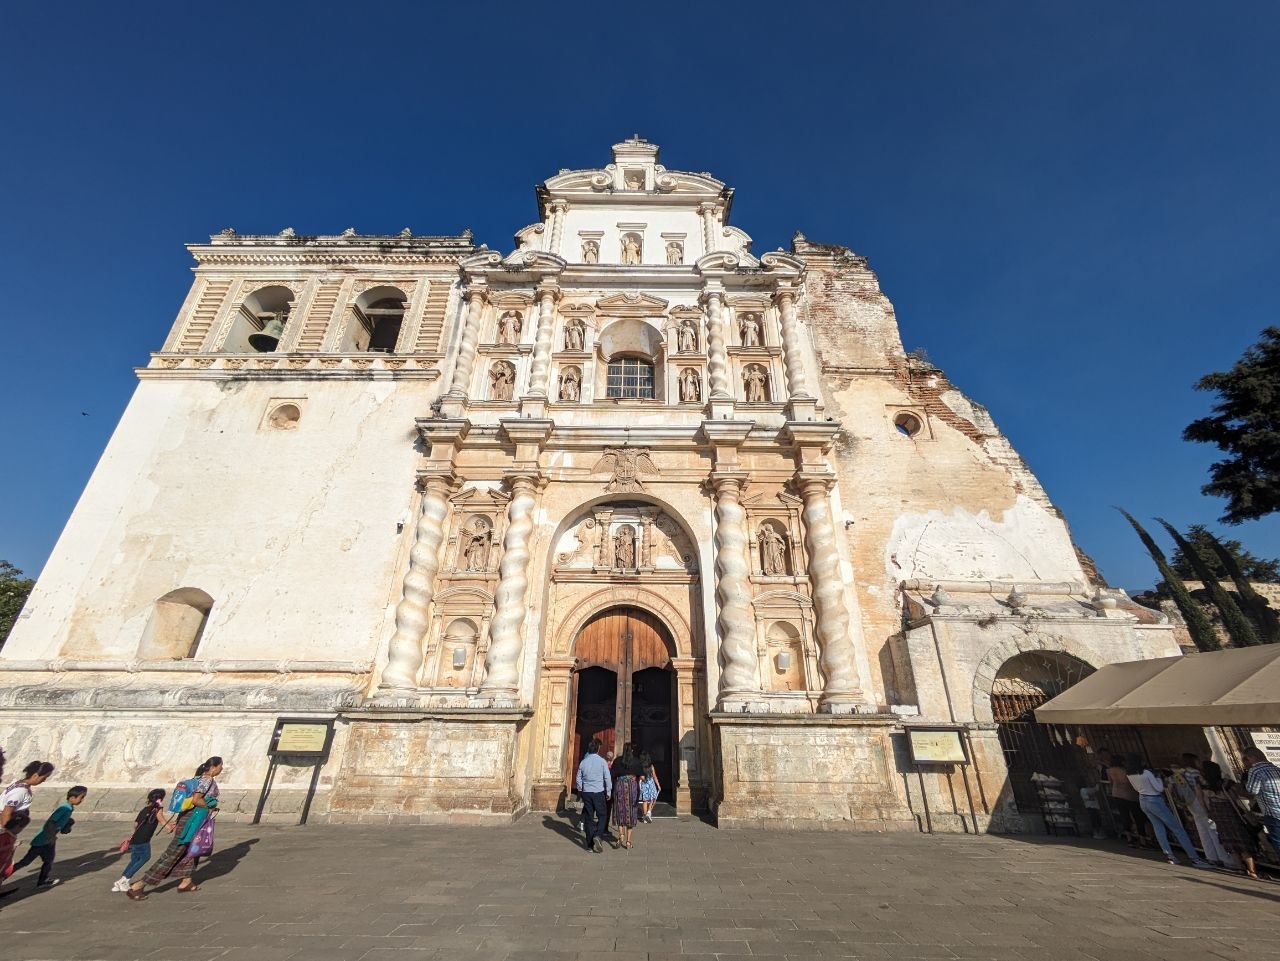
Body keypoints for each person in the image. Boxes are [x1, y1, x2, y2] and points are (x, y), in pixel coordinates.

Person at [127, 757, 223, 900]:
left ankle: (186, 882)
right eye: (221, 766)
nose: (222, 768)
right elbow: (196, 800)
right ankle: (139, 885)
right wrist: (210, 806)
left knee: (192, 850)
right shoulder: (207, 780)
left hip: (189, 819)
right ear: (214, 767)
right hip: (192, 821)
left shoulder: (198, 778)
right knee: (173, 854)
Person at [1124, 755, 1210, 867]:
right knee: (1178, 829)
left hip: (1143, 799)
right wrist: (1159, 778)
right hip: (1155, 800)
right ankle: (1195, 858)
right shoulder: (1146, 773)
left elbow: (1136, 789)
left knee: (1158, 828)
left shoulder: (1130, 774)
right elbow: (1159, 788)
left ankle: (1170, 856)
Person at [9, 785, 87, 889]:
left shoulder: (69, 808)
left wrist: (67, 825)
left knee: (48, 861)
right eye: (81, 797)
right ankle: (4, 874)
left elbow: (60, 824)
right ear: (72, 797)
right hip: (42, 840)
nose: (82, 800)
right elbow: (50, 823)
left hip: (48, 841)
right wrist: (51, 836)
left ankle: (43, 881)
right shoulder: (64, 808)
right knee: (26, 862)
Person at [1172, 754, 1230, 866]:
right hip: (1199, 800)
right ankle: (1224, 857)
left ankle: (1211, 856)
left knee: (1202, 829)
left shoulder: (1180, 773)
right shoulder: (1194, 772)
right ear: (1193, 761)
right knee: (1212, 828)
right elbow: (1202, 785)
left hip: (1190, 802)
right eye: (1197, 760)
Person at [1202, 770, 1261, 879]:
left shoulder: (1206, 787)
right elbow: (1238, 796)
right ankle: (1252, 870)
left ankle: (1240, 868)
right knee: (1243, 843)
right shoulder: (1227, 784)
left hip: (1219, 818)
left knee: (1230, 843)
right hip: (1233, 816)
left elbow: (1206, 803)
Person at [112, 789, 166, 892]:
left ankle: (122, 881)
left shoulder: (145, 809)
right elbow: (163, 822)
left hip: (135, 839)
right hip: (143, 840)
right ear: (161, 799)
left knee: (135, 860)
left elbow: (135, 824)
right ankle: (124, 880)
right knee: (145, 857)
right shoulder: (158, 810)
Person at [1243, 747, 1280, 861]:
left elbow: (1252, 790)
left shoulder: (1255, 770)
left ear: (1251, 757)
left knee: (1278, 841)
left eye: (1246, 759)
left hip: (1272, 812)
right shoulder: (1276, 768)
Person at [574, 740, 611, 853]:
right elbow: (607, 777)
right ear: (598, 749)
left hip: (587, 792)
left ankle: (589, 846)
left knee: (589, 818)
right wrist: (608, 791)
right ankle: (597, 834)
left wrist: (581, 788)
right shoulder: (602, 761)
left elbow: (578, 778)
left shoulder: (583, 762)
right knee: (602, 815)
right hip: (598, 792)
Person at [610, 742, 642, 850]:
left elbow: (612, 775)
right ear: (632, 750)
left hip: (620, 786)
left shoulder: (617, 761)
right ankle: (628, 842)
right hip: (632, 787)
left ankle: (621, 835)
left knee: (619, 810)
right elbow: (642, 776)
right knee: (631, 811)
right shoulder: (636, 761)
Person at [1104, 753, 1142, 844]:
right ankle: (1142, 839)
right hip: (1129, 795)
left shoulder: (1109, 770)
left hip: (1116, 794)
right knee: (1137, 816)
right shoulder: (1125, 770)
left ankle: (1129, 838)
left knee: (1124, 816)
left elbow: (1110, 783)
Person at [638, 751, 660, 823]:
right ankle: (649, 812)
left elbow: (641, 777)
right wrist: (658, 785)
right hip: (651, 784)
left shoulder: (641, 767)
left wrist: (643, 780)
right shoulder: (651, 766)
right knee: (652, 799)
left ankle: (645, 816)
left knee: (645, 801)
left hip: (644, 784)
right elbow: (654, 776)